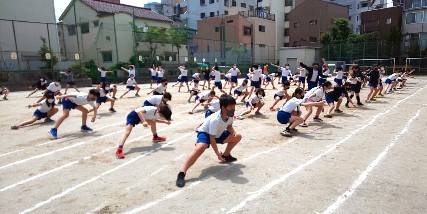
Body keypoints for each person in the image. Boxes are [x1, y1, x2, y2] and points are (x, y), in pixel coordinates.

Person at [176, 94, 242, 187]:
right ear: (223, 108)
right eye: (230, 106)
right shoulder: (215, 119)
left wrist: (233, 132)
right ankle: (182, 173)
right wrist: (217, 154)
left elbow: (229, 126)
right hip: (206, 133)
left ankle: (226, 155)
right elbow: (212, 138)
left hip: (217, 133)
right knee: (200, 148)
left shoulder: (230, 115)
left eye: (233, 105)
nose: (233, 108)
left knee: (238, 136)